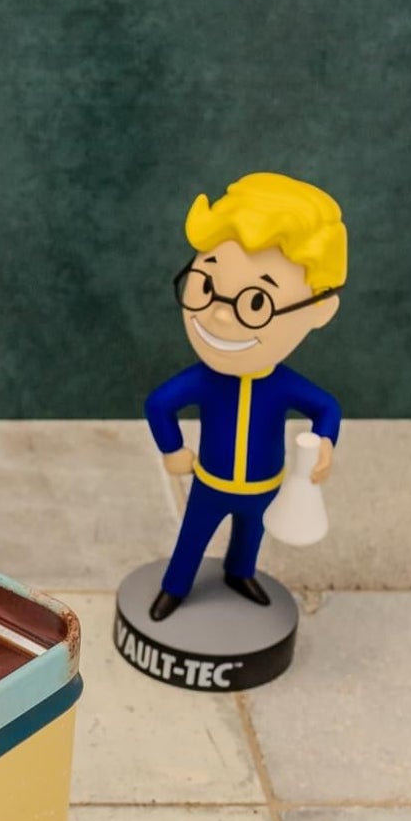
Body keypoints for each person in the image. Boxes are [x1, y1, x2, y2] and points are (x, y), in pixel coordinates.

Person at [145, 173, 344, 622]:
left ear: (320, 309)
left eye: (255, 303)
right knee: (192, 538)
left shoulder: (284, 384)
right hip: (209, 481)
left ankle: (240, 573)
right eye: (206, 286)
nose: (218, 315)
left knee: (250, 536)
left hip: (264, 485)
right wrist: (172, 449)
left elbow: (326, 408)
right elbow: (159, 404)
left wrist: (325, 441)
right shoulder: (203, 380)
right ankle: (175, 587)